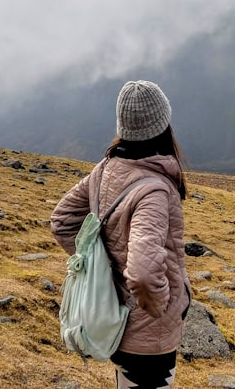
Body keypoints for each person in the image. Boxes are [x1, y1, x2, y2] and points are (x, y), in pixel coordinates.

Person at [51, 80, 191, 389]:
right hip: (147, 335)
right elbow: (141, 274)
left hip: (114, 319)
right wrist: (158, 307)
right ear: (163, 124)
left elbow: (61, 221)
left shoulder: (106, 168)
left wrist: (102, 270)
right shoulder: (153, 190)